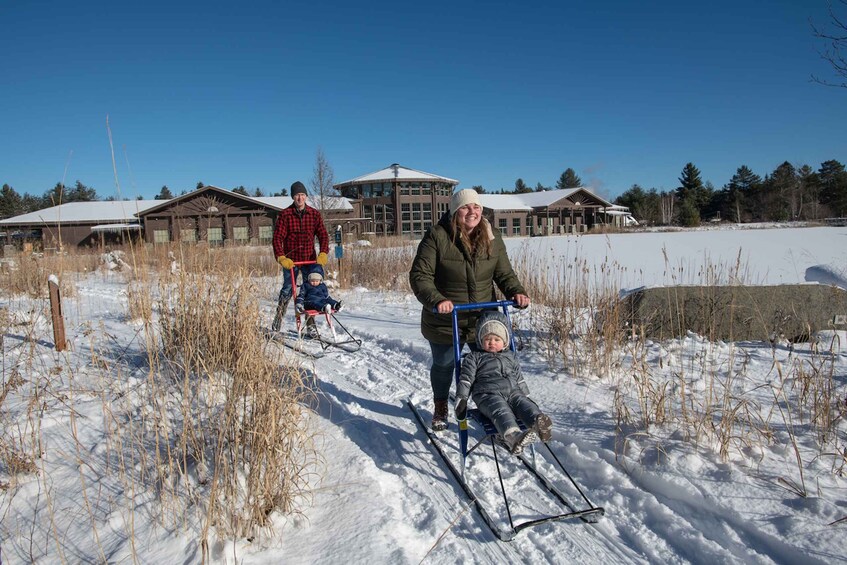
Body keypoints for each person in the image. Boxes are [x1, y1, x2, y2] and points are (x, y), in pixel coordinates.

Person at [409, 188, 530, 431]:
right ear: (455, 211)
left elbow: (503, 272)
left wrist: (515, 291)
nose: (472, 211)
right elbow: (420, 275)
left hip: (483, 318)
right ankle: (441, 403)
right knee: (444, 364)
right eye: (465, 207)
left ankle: (497, 410)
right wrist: (436, 300)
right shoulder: (437, 235)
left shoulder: (491, 236)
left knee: (491, 366)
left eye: (476, 206)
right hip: (445, 317)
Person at [455, 311, 552, 454]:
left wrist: (527, 395)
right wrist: (462, 399)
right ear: (480, 340)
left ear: (505, 341)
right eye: (487, 339)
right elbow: (466, 379)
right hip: (487, 395)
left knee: (525, 405)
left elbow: (519, 378)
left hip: (513, 392)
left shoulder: (510, 356)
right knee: (501, 411)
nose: (492, 343)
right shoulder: (474, 357)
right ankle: (513, 437)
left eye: (496, 339)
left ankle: (538, 423)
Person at [271, 181, 330, 331]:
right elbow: (277, 238)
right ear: (293, 197)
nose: (300, 198)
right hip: (291, 261)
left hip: (309, 260)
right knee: (288, 290)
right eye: (297, 195)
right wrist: (281, 257)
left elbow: (323, 235)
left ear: (306, 196)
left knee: (310, 290)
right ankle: (278, 320)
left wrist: (323, 252)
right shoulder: (285, 215)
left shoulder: (314, 214)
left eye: (302, 195)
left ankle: (310, 324)